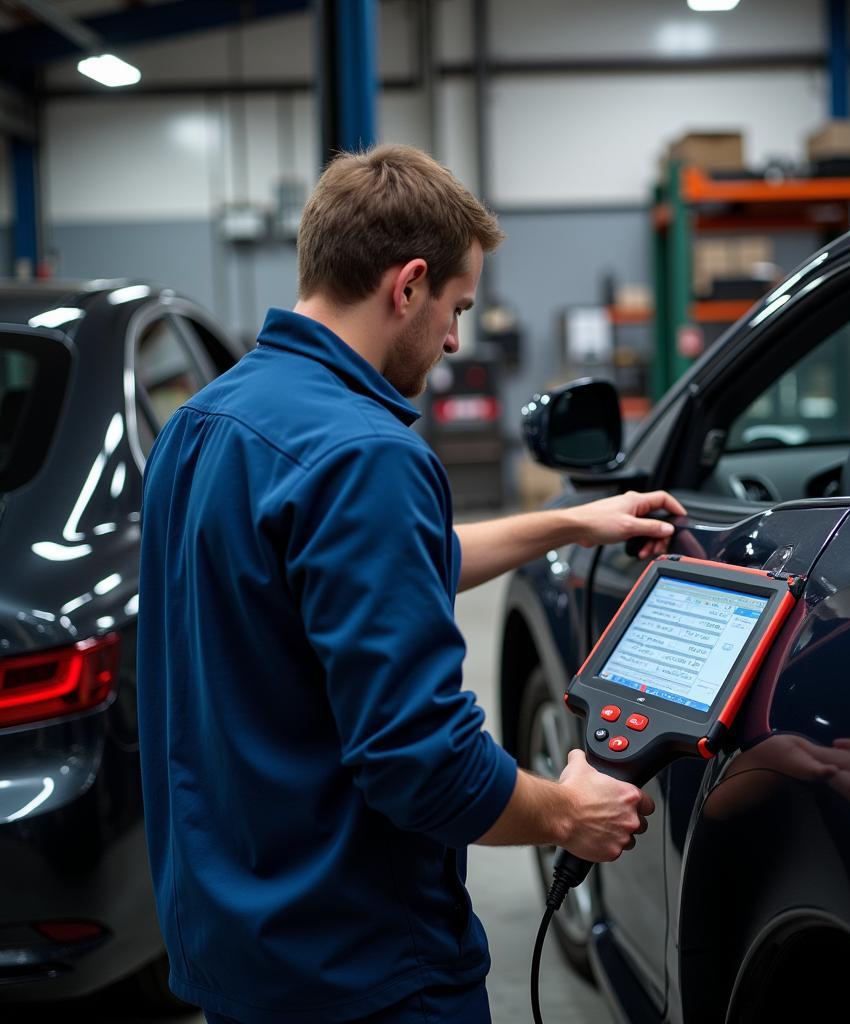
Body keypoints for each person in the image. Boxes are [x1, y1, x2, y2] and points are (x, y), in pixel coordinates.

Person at [137, 143, 683, 1024]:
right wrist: (564, 813)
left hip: (235, 949)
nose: (456, 339)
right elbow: (422, 764)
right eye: (457, 307)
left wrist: (573, 521)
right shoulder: (367, 453)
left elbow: (357, 577)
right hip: (363, 966)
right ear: (409, 284)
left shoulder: (206, 423)